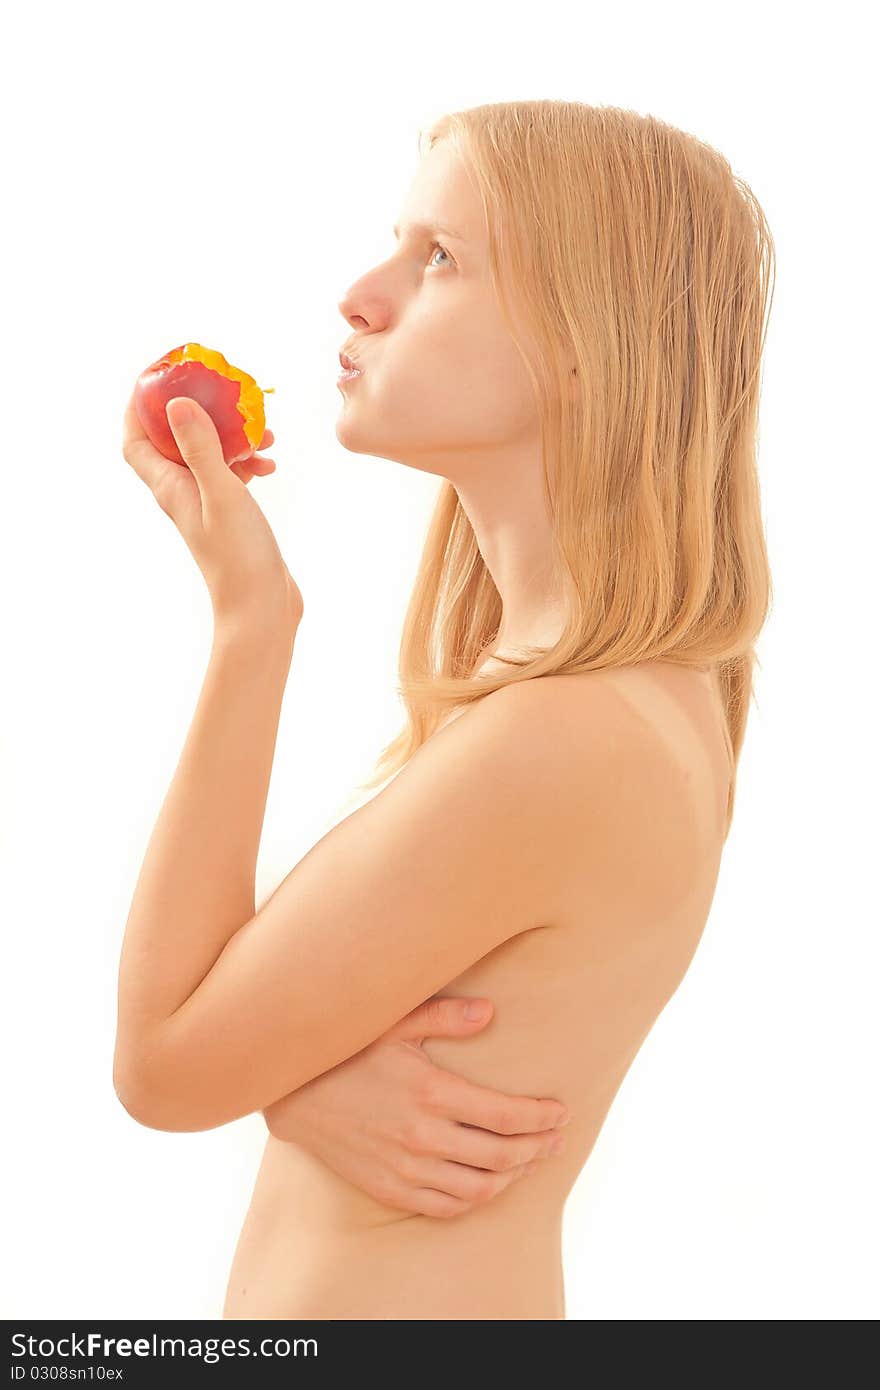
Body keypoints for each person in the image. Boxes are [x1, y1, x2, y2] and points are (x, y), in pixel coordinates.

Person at [118, 99, 775, 1320]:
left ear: (588, 339)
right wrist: (293, 1072)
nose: (361, 297)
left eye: (439, 259)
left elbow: (163, 1061)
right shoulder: (638, 694)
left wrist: (251, 629)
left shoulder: (559, 738)